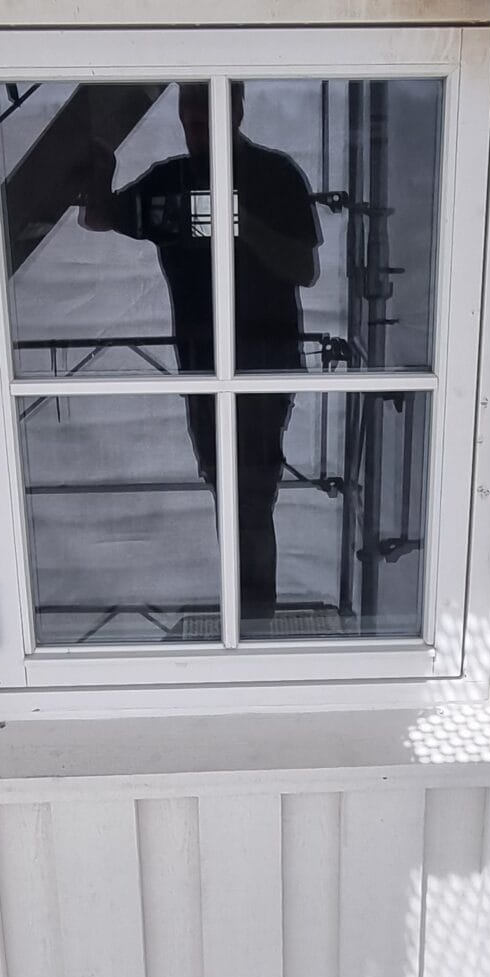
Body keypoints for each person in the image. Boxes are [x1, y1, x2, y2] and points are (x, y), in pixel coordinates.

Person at [78, 82, 319, 627]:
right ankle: (247, 618)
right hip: (206, 369)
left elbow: (304, 268)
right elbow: (100, 216)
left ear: (236, 108)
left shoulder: (274, 175)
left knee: (249, 493)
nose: (195, 126)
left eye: (204, 113)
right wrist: (99, 165)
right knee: (227, 487)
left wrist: (242, 224)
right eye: (188, 116)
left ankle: (251, 620)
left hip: (260, 365)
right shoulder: (173, 179)